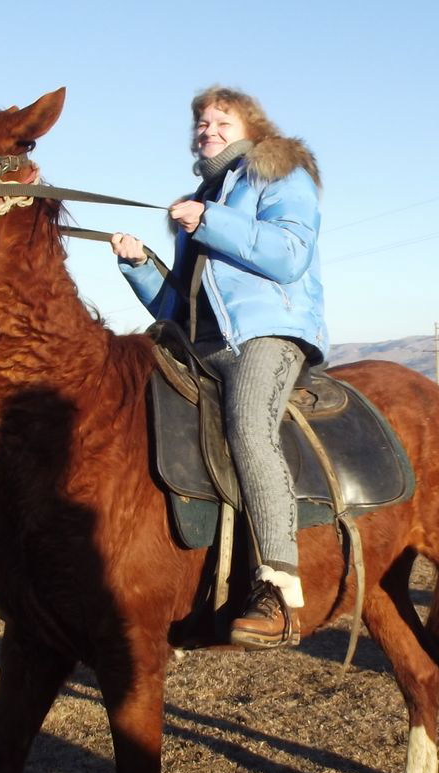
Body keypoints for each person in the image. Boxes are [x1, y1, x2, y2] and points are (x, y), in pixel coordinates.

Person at [111, 86, 325, 649]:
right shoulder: (204, 195)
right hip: (200, 342)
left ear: (250, 126)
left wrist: (209, 220)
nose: (207, 129)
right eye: (201, 123)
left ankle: (277, 590)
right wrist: (140, 267)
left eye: (220, 120)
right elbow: (177, 307)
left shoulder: (279, 173)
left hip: (266, 334)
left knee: (250, 428)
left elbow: (288, 254)